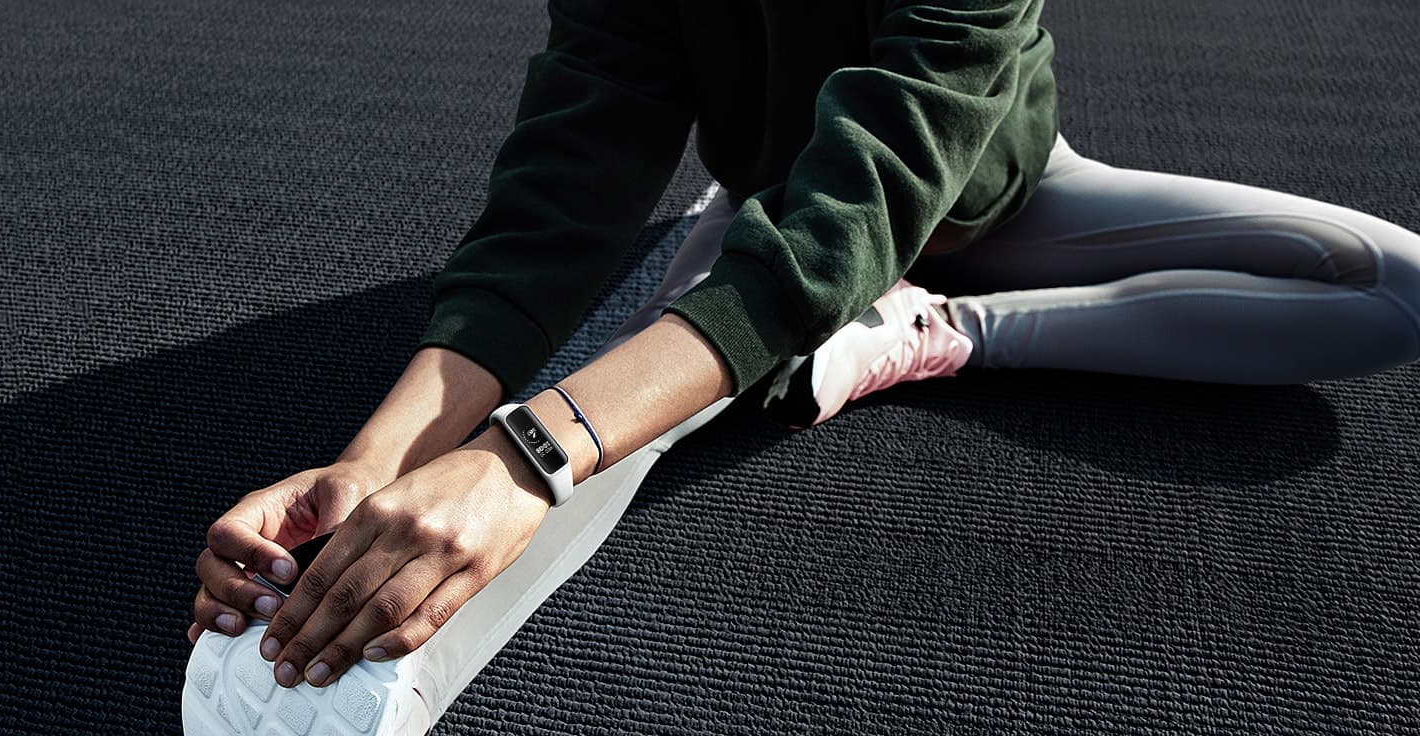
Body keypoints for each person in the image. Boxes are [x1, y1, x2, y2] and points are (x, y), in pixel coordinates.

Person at [182, 1, 1420, 734]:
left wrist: (524, 450)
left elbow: (876, 180)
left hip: (999, 202)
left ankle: (939, 331)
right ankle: (379, 668)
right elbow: (561, 196)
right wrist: (375, 460)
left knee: (1391, 286)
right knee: (617, 408)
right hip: (768, 214)